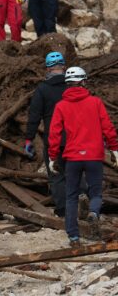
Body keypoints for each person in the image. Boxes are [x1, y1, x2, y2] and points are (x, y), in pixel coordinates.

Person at [48, 67, 118, 245]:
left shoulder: (61, 106)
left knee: (71, 196)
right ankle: (94, 212)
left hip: (73, 158)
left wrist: (52, 157)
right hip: (94, 156)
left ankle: (73, 237)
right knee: (95, 192)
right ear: (83, 81)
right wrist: (115, 149)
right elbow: (108, 128)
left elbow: (54, 134)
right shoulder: (95, 102)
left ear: (67, 84)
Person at [24, 52, 69, 216]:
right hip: (75, 138)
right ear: (64, 66)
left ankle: (63, 210)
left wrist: (29, 139)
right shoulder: (72, 87)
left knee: (56, 174)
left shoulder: (42, 89)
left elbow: (34, 116)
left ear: (48, 69)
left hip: (53, 139)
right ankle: (83, 201)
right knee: (75, 171)